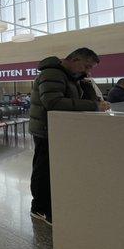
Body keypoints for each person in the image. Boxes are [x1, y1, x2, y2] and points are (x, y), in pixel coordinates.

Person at [29, 48, 110, 226]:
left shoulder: (72, 77)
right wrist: (94, 106)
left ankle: (51, 204)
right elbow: (53, 102)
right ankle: (39, 208)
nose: (88, 71)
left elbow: (86, 100)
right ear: (74, 59)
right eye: (86, 66)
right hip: (45, 129)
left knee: (52, 168)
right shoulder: (52, 73)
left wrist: (86, 84)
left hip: (59, 129)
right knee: (43, 169)